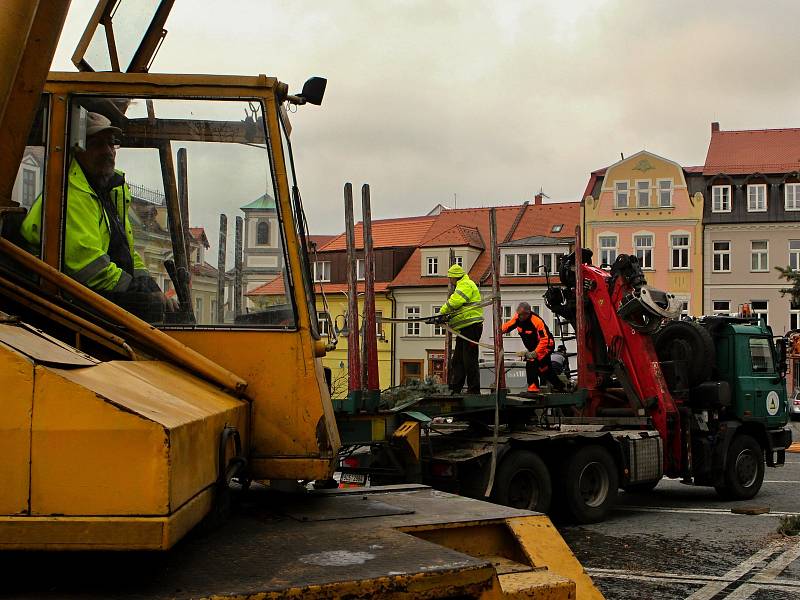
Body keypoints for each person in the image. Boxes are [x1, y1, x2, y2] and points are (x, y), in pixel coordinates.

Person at [20, 111, 174, 322]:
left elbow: (126, 253)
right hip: (65, 307)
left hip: (90, 298)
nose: (108, 151)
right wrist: (141, 293)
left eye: (111, 144)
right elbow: (89, 267)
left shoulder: (108, 192)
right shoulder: (70, 193)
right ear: (79, 149)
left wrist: (149, 285)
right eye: (97, 144)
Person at [431, 264, 484, 394]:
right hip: (464, 329)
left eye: (450, 278)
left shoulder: (466, 284)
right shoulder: (463, 284)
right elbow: (460, 308)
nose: (449, 281)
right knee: (458, 361)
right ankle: (455, 389)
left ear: (454, 277)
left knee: (469, 360)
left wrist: (441, 313)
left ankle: (473, 390)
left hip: (471, 328)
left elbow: (455, 302)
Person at [501, 301, 563, 393]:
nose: (519, 316)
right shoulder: (517, 318)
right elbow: (507, 327)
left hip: (546, 346)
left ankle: (533, 390)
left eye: (521, 315)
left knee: (531, 363)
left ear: (527, 313)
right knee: (545, 369)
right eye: (518, 314)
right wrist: (499, 330)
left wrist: (535, 353)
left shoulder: (537, 322)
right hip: (534, 348)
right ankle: (560, 386)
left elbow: (544, 339)